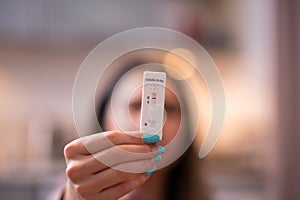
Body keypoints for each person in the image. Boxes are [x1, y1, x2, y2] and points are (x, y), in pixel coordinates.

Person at [59, 51, 210, 200]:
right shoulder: (71, 193)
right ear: (104, 119)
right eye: (136, 106)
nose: (154, 121)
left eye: (168, 109)